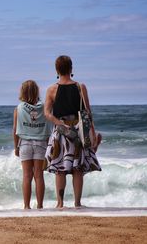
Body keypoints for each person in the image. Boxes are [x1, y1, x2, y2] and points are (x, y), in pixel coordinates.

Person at [44, 55, 102, 209]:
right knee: (77, 169)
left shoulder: (52, 89)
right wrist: (93, 133)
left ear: (56, 69)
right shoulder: (80, 87)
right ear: (71, 69)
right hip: (78, 130)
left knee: (60, 169)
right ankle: (77, 203)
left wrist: (59, 123)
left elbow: (47, 113)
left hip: (61, 132)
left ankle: (60, 203)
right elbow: (87, 113)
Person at [13, 80, 52, 209]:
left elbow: (15, 130)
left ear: (22, 92)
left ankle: (26, 206)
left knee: (26, 176)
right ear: (37, 92)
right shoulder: (44, 107)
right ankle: (40, 206)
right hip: (41, 142)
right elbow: (48, 126)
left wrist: (16, 147)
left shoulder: (18, 108)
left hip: (24, 143)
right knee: (39, 176)